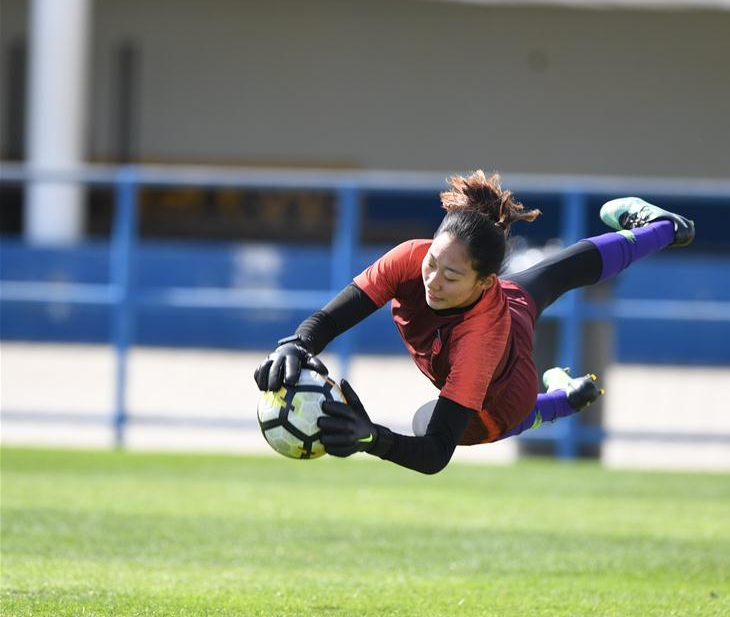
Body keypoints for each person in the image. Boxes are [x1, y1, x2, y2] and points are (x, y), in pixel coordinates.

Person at [253, 171, 694, 475]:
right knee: (560, 271)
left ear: (486, 281)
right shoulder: (411, 257)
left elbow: (434, 454)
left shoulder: (479, 338)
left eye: (451, 275)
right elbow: (333, 316)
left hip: (504, 396)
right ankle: (666, 228)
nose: (432, 279)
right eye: (432, 263)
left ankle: (558, 401)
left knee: (429, 421)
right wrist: (298, 343)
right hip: (504, 310)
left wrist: (373, 440)